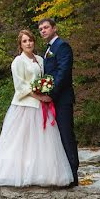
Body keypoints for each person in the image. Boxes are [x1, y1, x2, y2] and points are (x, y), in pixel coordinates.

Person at [0, 29, 73, 187]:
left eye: (30, 40)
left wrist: (46, 91)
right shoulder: (18, 61)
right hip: (25, 106)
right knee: (22, 142)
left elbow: (46, 78)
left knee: (42, 143)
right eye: (25, 41)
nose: (28, 43)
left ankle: (42, 174)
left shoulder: (40, 59)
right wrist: (39, 96)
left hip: (41, 106)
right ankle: (18, 173)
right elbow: (20, 87)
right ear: (20, 44)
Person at [39, 18, 79, 187]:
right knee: (54, 138)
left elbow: (63, 73)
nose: (43, 30)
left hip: (61, 100)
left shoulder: (62, 46)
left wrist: (51, 94)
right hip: (49, 100)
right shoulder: (47, 50)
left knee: (66, 135)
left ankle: (73, 175)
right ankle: (61, 174)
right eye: (40, 29)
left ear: (54, 28)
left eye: (46, 27)